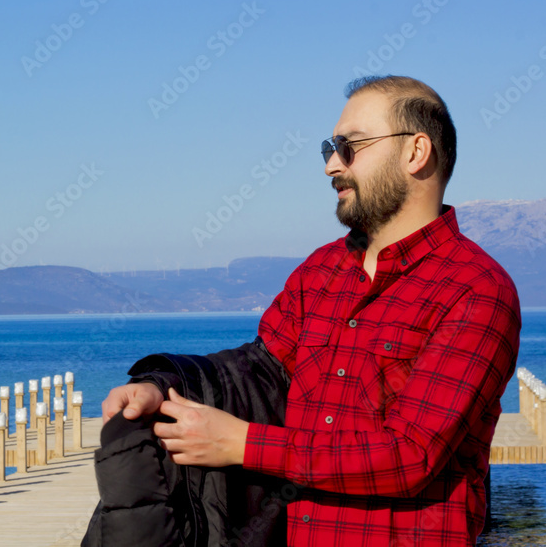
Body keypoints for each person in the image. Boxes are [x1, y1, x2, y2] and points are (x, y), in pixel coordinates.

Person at [100, 75, 522, 546]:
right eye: (330, 148)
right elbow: (258, 370)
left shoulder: (476, 289)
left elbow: (409, 456)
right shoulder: (321, 270)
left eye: (350, 145)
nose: (331, 166)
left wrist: (242, 444)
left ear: (415, 152)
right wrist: (163, 387)